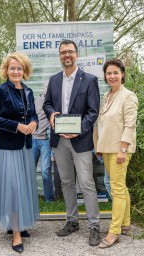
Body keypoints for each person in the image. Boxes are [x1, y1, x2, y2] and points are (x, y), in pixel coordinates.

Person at [43, 39, 101, 246]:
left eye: (70, 52)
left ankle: (94, 226)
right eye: (63, 52)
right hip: (59, 141)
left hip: (80, 140)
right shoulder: (54, 79)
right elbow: (47, 104)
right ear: (60, 56)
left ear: (77, 54)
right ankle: (72, 221)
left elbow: (93, 112)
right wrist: (51, 115)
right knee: (66, 182)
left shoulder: (89, 80)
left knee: (86, 183)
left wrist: (79, 130)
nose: (66, 55)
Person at [0, 52, 40, 253]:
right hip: (6, 147)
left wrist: (34, 122)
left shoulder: (28, 91)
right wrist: (17, 126)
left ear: (24, 71)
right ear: (6, 70)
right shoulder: (0, 91)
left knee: (22, 187)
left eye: (19, 68)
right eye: (12, 68)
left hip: (25, 147)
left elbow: (33, 113)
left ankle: (17, 225)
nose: (16, 71)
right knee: (14, 189)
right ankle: (16, 233)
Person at [93, 58, 138, 248]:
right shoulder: (107, 96)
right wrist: (100, 146)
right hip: (108, 148)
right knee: (121, 186)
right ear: (105, 76)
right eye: (109, 73)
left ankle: (114, 232)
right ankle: (126, 224)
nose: (112, 76)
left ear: (122, 74)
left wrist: (123, 149)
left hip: (120, 149)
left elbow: (130, 124)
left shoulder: (128, 96)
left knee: (117, 189)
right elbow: (103, 123)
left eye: (115, 73)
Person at [32, 80, 55, 202]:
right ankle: (30, 198)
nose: (49, 88)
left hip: (46, 141)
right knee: (30, 170)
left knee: (46, 171)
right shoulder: (35, 100)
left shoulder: (54, 102)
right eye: (47, 86)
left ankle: (49, 200)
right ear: (43, 87)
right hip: (32, 139)